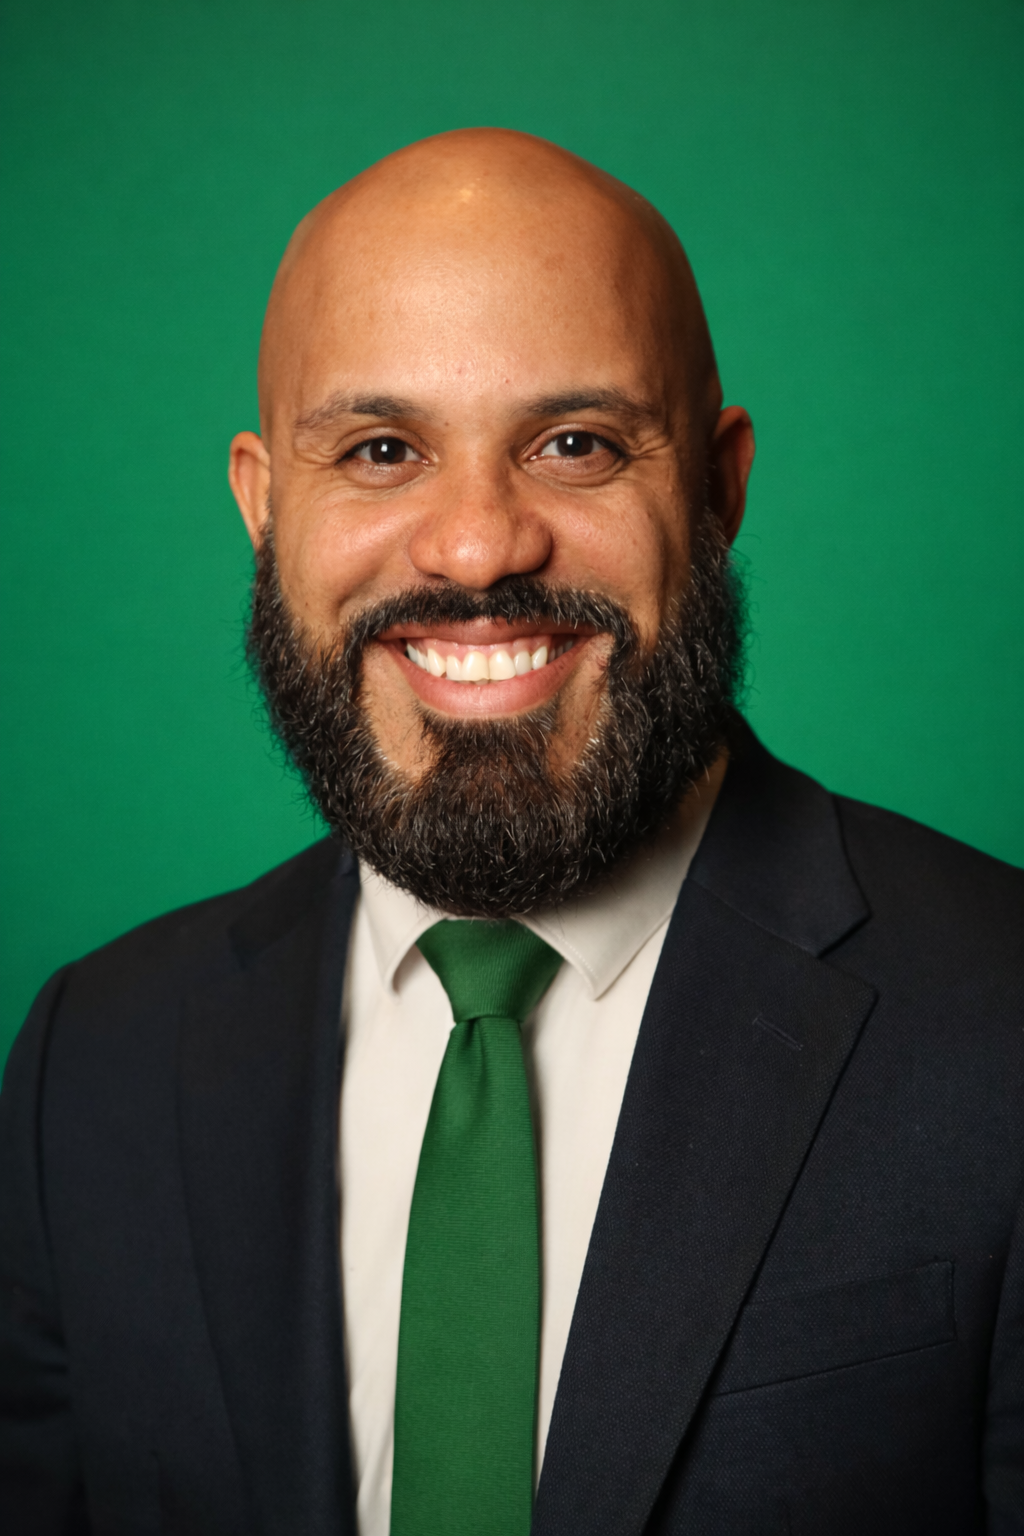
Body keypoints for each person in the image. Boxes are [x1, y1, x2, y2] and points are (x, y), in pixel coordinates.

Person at [0, 128, 1021, 1536]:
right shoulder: (90, 1066)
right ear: (263, 505)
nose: (478, 548)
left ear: (718, 491)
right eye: (378, 449)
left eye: (575, 444)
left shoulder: (1001, 1019)